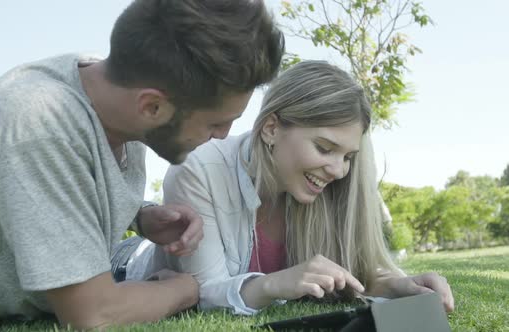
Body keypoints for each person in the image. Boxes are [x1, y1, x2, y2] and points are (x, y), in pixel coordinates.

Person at [0, 0, 284, 328]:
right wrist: (186, 290)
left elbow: (64, 185)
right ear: (152, 107)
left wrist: (140, 216)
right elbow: (94, 315)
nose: (222, 136)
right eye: (216, 122)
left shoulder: (119, 93)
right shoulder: (36, 122)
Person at [116, 60, 455, 315]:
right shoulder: (200, 167)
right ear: (271, 129)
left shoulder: (330, 187)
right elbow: (202, 293)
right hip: (126, 267)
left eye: (348, 156)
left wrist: (398, 285)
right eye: (324, 148)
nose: (338, 170)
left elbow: (355, 273)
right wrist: (276, 283)